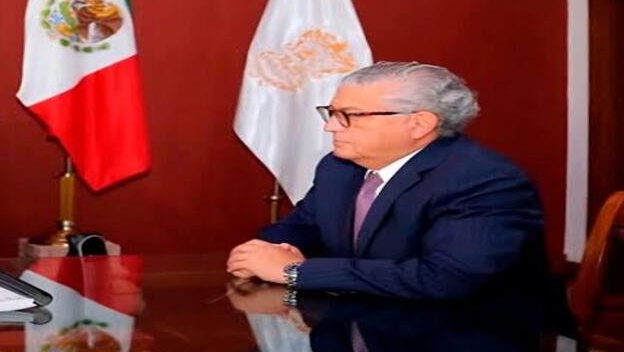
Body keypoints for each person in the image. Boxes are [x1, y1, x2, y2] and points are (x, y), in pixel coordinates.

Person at [227, 61, 545, 299]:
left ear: (419, 124)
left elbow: (446, 277)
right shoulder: (340, 167)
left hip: (465, 334)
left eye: (350, 115)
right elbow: (304, 226)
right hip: (366, 319)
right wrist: (259, 253)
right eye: (331, 113)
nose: (331, 127)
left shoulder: (482, 179)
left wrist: (295, 271)